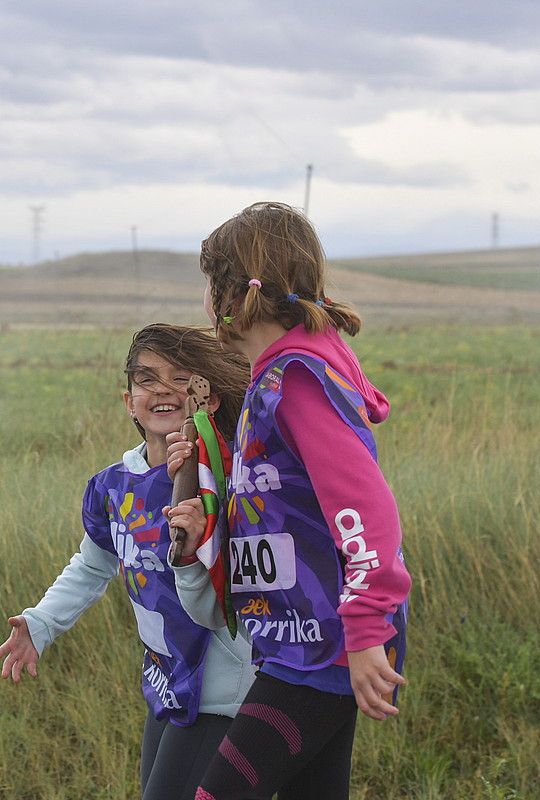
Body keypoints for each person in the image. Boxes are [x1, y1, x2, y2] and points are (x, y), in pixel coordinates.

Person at [165, 202, 411, 800]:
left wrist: (365, 626)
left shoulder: (298, 380)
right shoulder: (273, 377)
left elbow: (364, 512)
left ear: (231, 290)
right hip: (298, 636)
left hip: (325, 641)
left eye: (207, 280)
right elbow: (281, 505)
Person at [0, 323, 257, 800]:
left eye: (181, 378)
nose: (163, 390)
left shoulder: (230, 479)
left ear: (208, 397)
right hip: (166, 680)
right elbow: (93, 566)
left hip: (221, 689)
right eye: (147, 379)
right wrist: (41, 623)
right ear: (128, 400)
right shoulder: (114, 486)